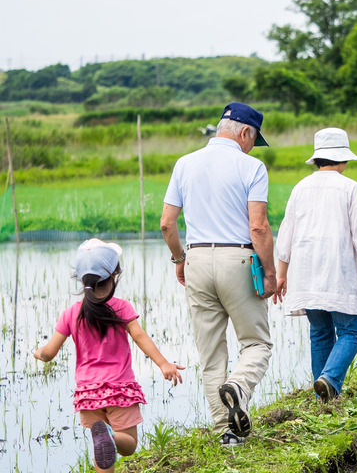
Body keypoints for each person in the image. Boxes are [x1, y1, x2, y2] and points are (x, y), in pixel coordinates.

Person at [160, 102, 276, 446]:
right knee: (257, 343)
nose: (253, 146)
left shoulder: (185, 163)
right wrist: (269, 272)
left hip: (196, 260)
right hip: (237, 261)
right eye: (253, 139)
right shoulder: (252, 166)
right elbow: (258, 227)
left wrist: (179, 258)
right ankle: (238, 388)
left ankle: (224, 433)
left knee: (211, 354)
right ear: (244, 132)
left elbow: (167, 223)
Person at [33, 239, 184, 473]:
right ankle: (111, 437)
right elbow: (140, 337)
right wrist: (163, 364)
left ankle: (105, 437)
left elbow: (49, 352)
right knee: (128, 446)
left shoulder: (71, 313)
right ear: (114, 275)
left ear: (82, 279)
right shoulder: (120, 308)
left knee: (100, 451)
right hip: (119, 389)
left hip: (88, 393)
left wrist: (38, 353)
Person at [273, 128, 357, 401]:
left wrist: (281, 275)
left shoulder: (300, 187)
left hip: (305, 273)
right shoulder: (350, 188)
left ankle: (323, 397)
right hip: (340, 273)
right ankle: (329, 379)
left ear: (318, 159)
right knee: (351, 330)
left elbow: (285, 235)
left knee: (320, 332)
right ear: (343, 159)